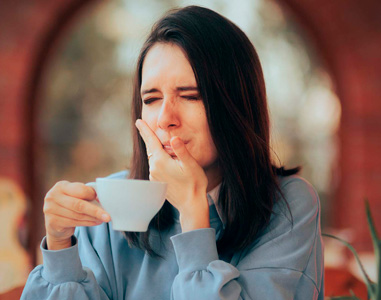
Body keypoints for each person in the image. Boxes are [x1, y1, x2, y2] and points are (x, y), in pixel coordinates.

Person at [21, 5, 324, 300]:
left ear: (237, 106)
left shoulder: (287, 206)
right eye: (151, 98)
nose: (165, 118)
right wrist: (60, 248)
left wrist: (193, 214)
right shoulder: (108, 206)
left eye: (190, 96)